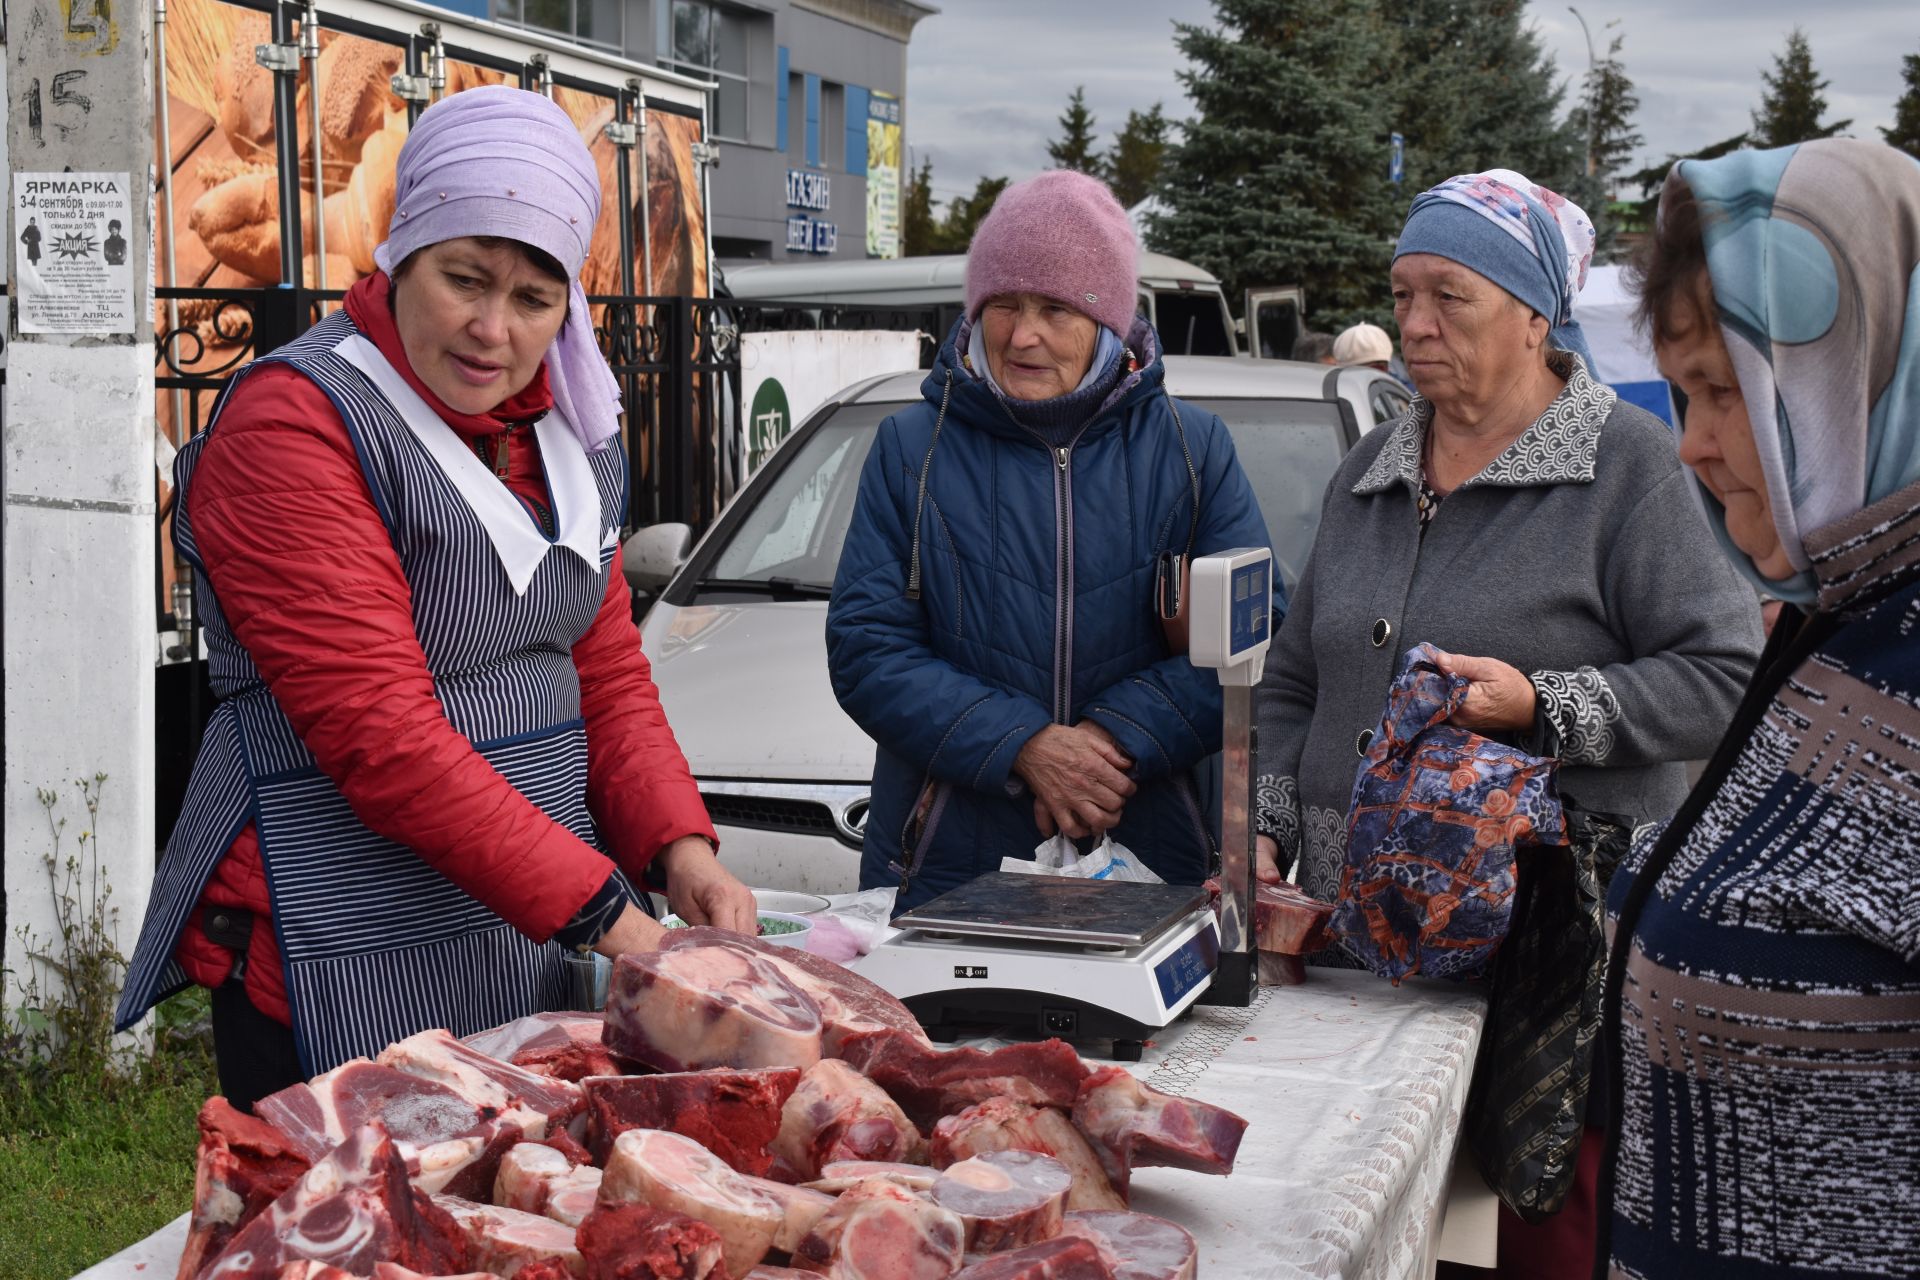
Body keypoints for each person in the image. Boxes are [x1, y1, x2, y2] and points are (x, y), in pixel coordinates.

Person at [116, 87, 755, 1109]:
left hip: (515, 923)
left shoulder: (569, 425)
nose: (492, 329)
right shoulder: (296, 424)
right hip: (338, 940)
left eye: (535, 299)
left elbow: (598, 667)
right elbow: (382, 734)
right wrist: (611, 921)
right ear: (400, 251)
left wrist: (678, 847)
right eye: (464, 279)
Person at [1253, 169, 1761, 1275]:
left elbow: (1724, 671)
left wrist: (1546, 706)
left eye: (1451, 295)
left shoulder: (1625, 466)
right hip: (1352, 966)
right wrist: (1268, 821)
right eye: (1403, 294)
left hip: (1540, 979)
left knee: (1522, 1245)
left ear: (1536, 316)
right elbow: (1295, 679)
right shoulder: (1369, 470)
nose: (1417, 325)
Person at [1596, 138, 1920, 1280]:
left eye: (1726, 391)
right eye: (1683, 392)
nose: (1690, 441)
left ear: (1863, 373)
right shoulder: (1836, 619)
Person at [827, 170, 1272, 911]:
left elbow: (1253, 634)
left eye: (1055, 308)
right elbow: (867, 646)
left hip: (1152, 854)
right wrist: (1025, 748)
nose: (1022, 333)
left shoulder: (1193, 450)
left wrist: (1109, 744)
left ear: (1108, 323)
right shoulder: (912, 448)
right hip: (948, 864)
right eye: (1003, 303)